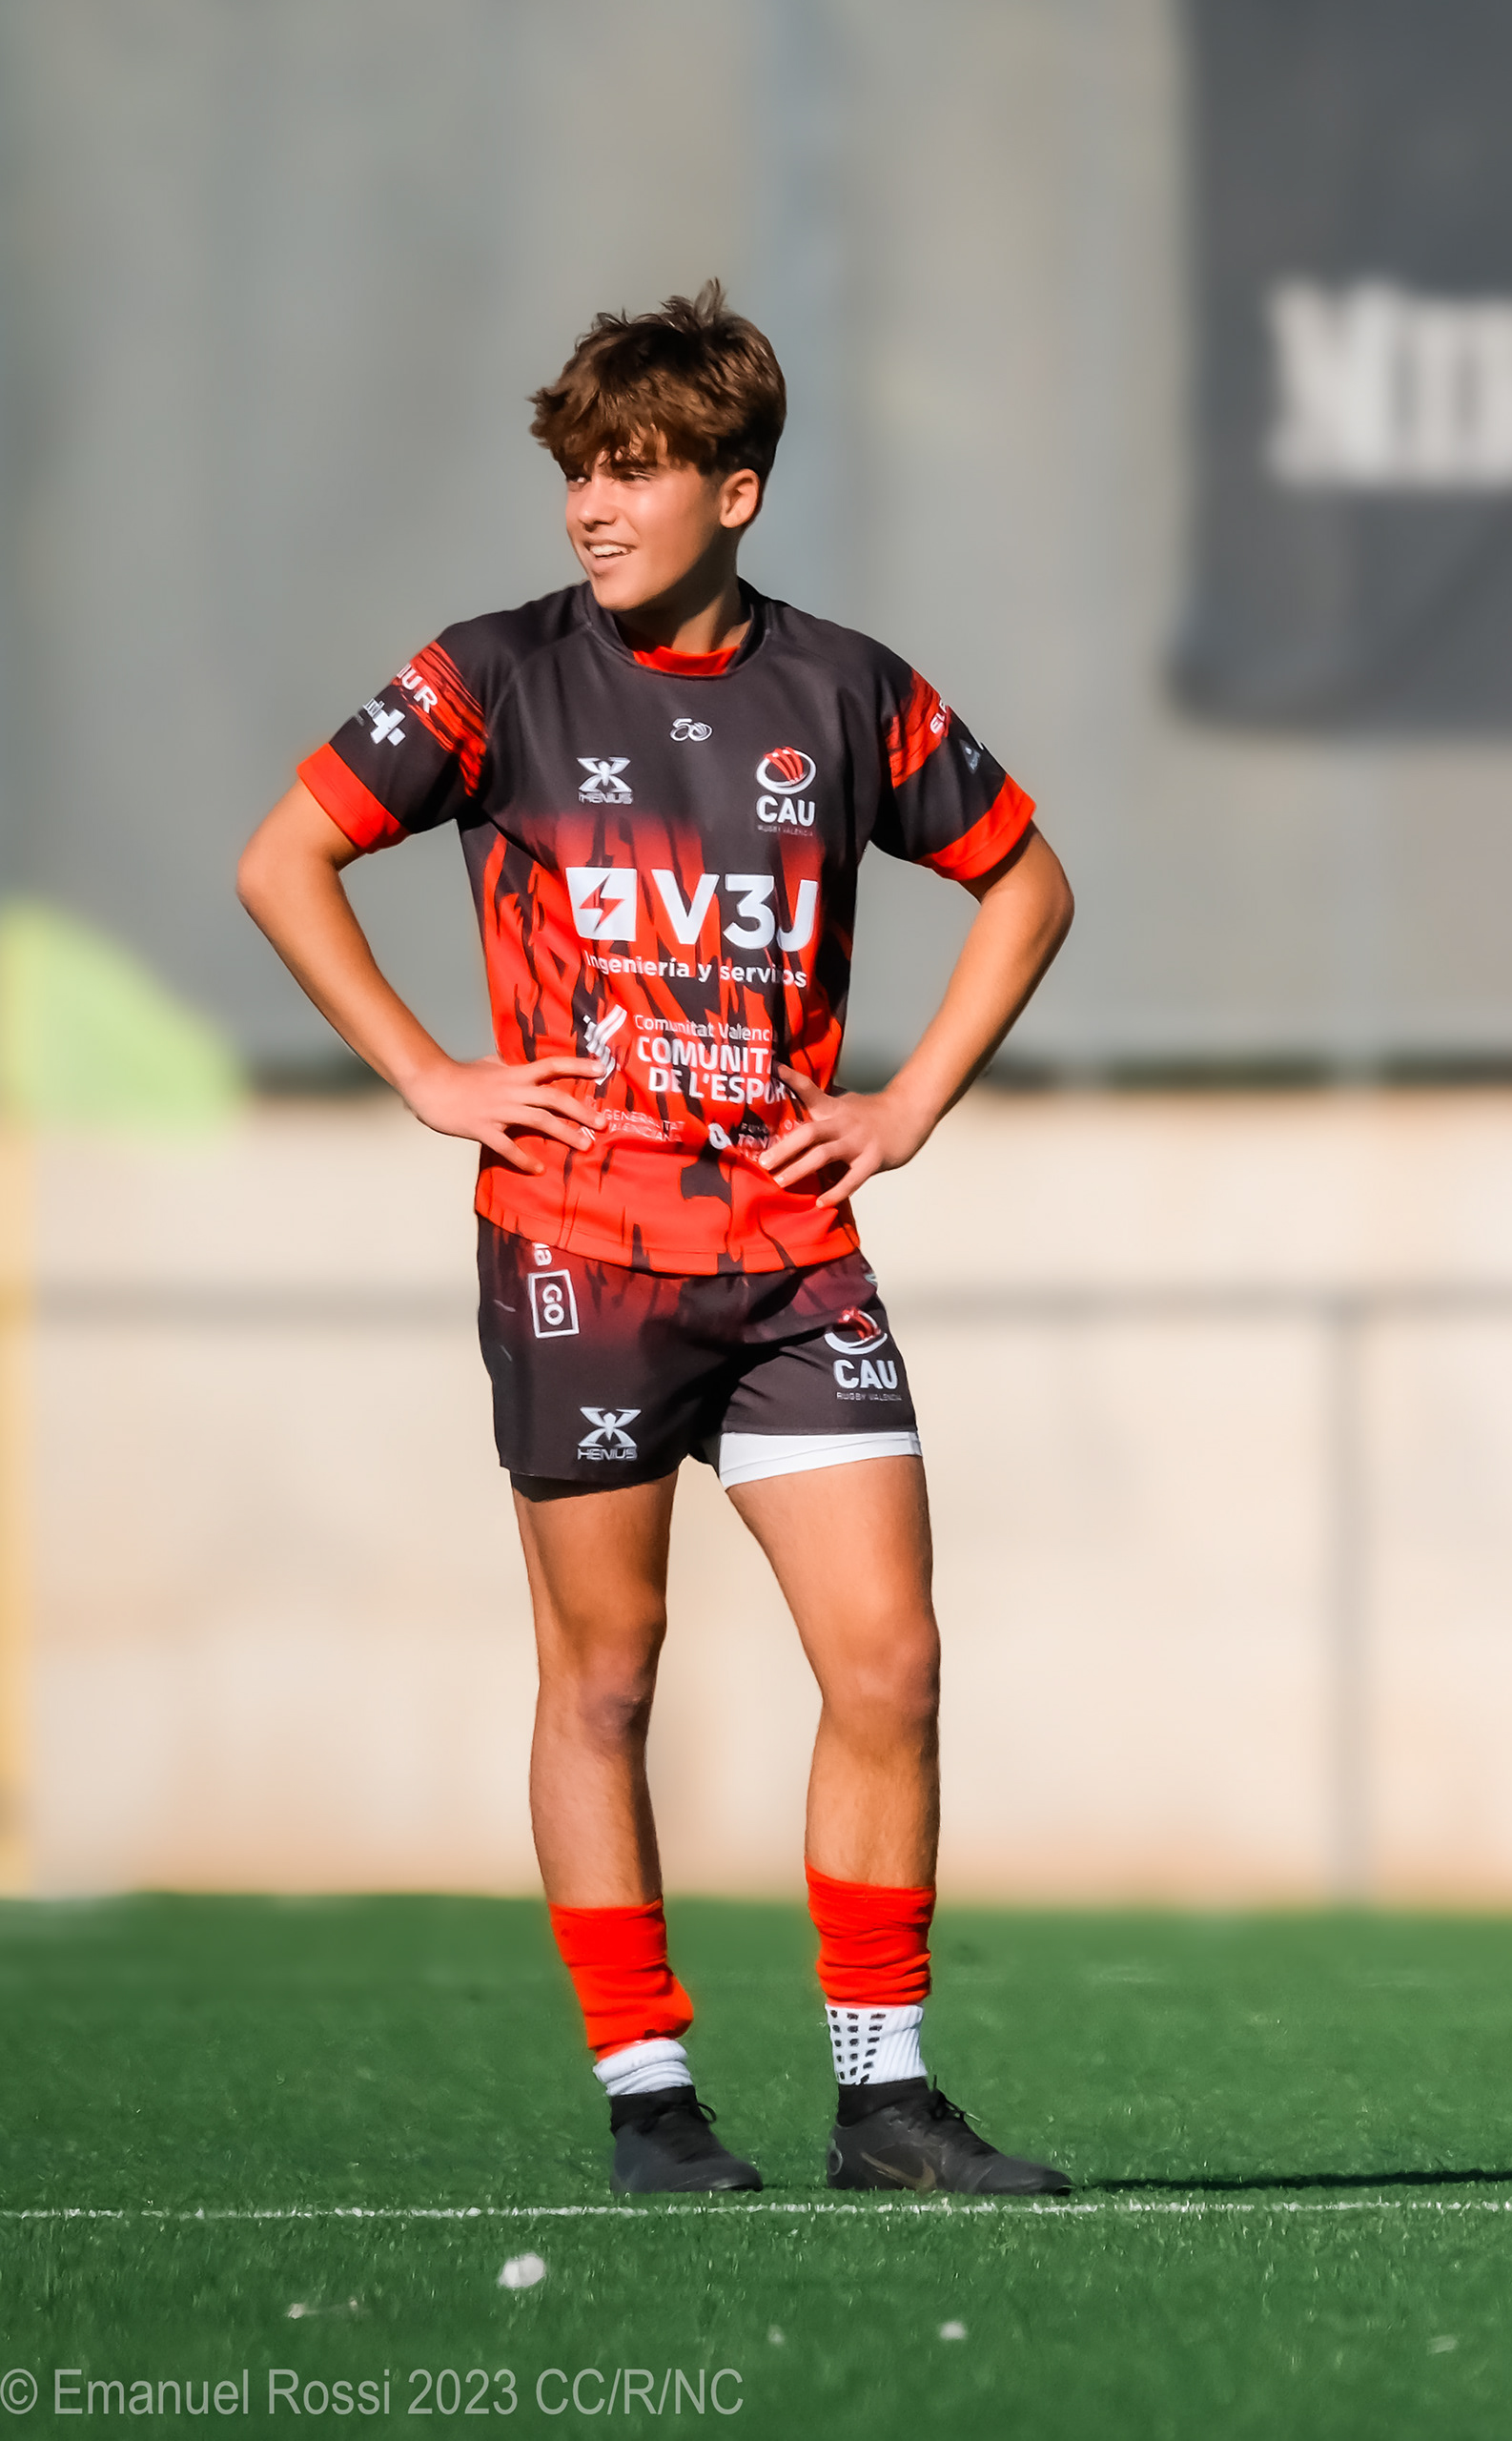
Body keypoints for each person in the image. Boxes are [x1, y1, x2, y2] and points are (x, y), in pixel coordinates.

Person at [235, 284, 1077, 2196]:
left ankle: (885, 2101)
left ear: (737, 490)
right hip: (580, 1255)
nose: (593, 509)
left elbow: (1028, 883)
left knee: (892, 1662)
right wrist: (428, 1072)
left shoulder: (846, 690)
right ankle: (650, 2099)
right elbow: (284, 858)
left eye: (632, 472)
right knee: (607, 1676)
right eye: (578, 475)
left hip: (793, 1259)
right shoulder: (496, 676)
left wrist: (908, 1103)